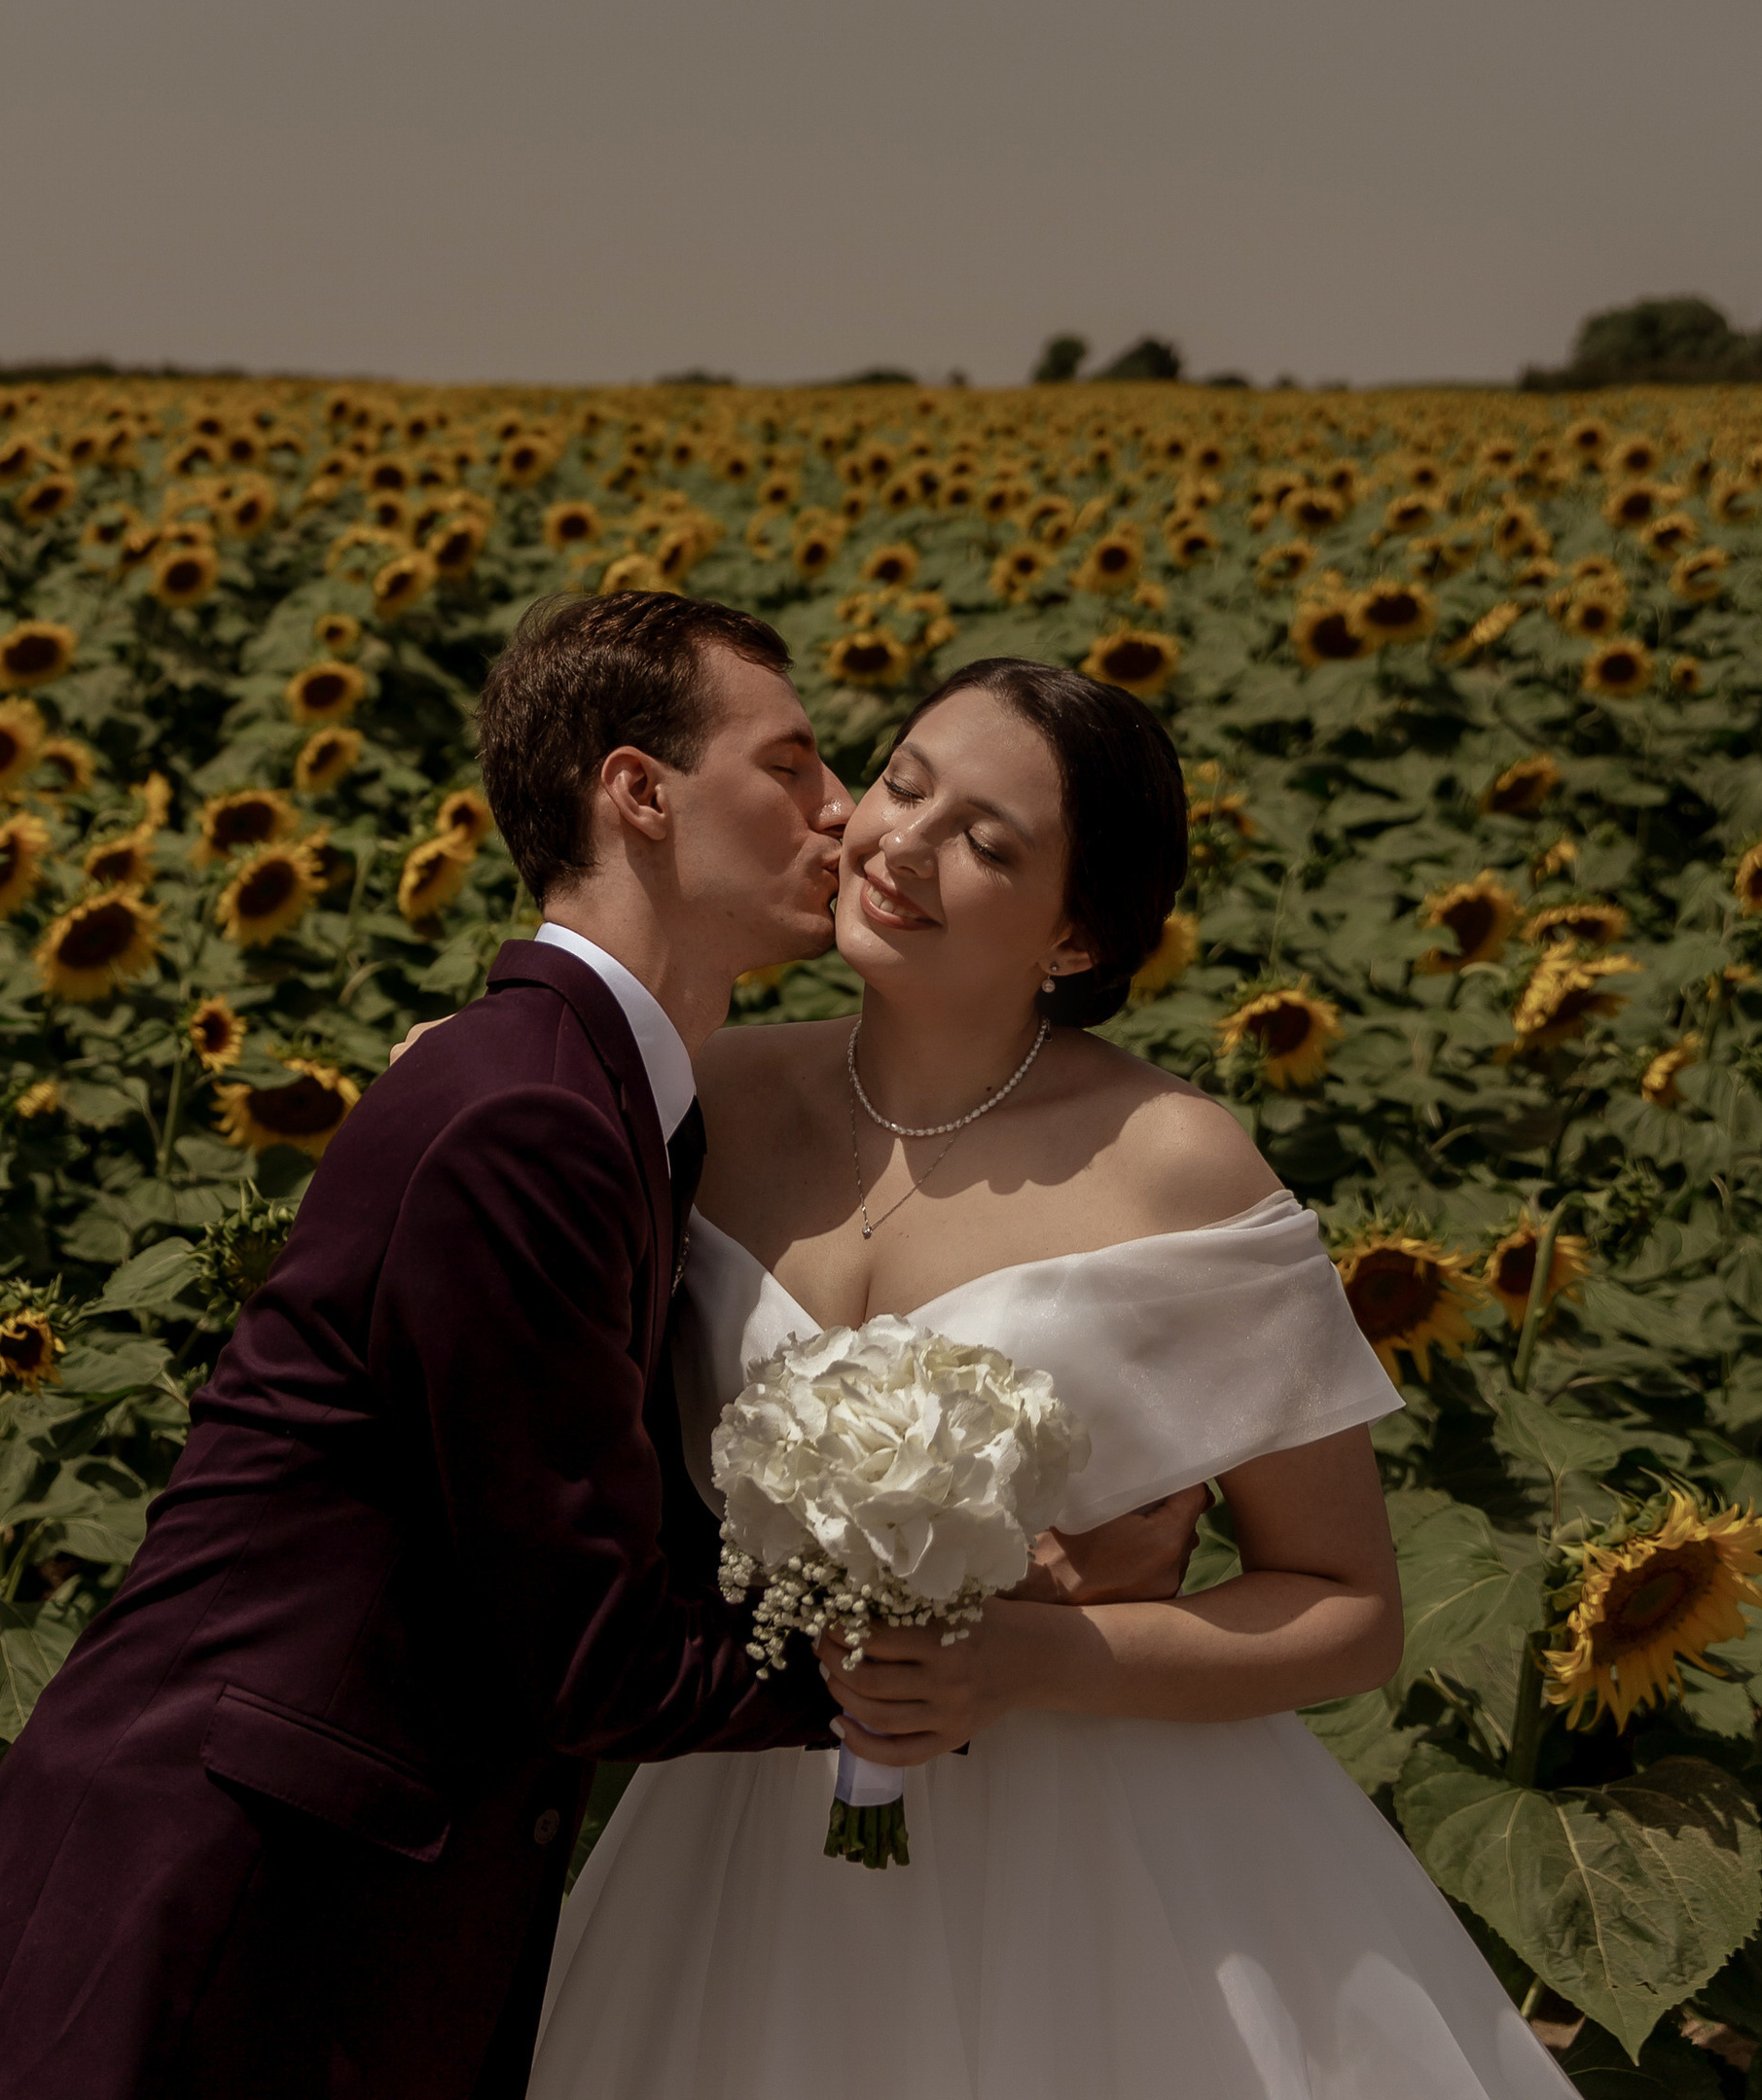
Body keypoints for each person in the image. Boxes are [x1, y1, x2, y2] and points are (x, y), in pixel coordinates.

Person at [0, 596, 1203, 2100]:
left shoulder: (599, 1099)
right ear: (640, 793)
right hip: (234, 1915)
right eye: (792, 767)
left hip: (325, 1902)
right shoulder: (531, 1119)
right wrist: (944, 1654)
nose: (843, 814)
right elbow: (593, 1659)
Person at [530, 658, 1574, 2100]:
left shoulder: (1175, 1163)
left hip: (1104, 1851)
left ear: (1075, 935)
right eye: (903, 784)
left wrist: (1031, 1656)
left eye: (989, 841)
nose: (903, 842)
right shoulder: (714, 1095)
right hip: (743, 1804)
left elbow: (1347, 1610)